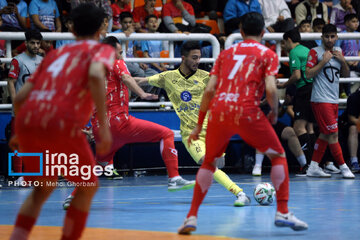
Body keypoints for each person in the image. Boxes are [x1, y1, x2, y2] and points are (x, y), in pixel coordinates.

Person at [178, 12, 308, 234]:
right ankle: (283, 211)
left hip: (219, 110)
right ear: (263, 32)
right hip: (246, 110)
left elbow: (209, 92)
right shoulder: (267, 54)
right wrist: (274, 113)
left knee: (209, 164)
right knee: (278, 156)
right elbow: (270, 89)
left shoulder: (226, 54)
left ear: (240, 32)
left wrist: (199, 125)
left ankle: (191, 217)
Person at [9, 3, 114, 239]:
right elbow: (97, 75)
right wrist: (104, 129)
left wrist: (22, 129)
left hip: (30, 121)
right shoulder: (100, 49)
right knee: (89, 185)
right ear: (102, 27)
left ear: (71, 28)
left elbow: (23, 95)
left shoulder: (55, 54)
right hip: (61, 123)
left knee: (42, 189)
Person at [62, 36, 195, 210]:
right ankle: (174, 178)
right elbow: (126, 78)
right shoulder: (116, 62)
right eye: (120, 51)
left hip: (100, 128)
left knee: (100, 164)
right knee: (167, 133)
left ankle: (72, 198)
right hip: (119, 123)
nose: (122, 55)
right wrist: (143, 94)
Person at [135, 41, 251, 207]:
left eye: (199, 58)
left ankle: (238, 192)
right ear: (183, 58)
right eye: (194, 58)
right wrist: (120, 78)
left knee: (217, 165)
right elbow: (141, 81)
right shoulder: (168, 77)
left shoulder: (206, 77)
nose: (198, 61)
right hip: (190, 134)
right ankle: (240, 193)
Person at [305, 24, 355, 179]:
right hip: (320, 99)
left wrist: (343, 62)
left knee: (325, 135)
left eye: (332, 36)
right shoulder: (315, 52)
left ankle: (313, 167)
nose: (329, 39)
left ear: (336, 37)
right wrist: (323, 62)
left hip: (333, 99)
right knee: (333, 134)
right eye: (326, 36)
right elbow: (307, 74)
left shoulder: (339, 51)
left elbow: (345, 74)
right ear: (322, 37)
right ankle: (344, 167)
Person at [7, 29, 43, 185]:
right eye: (32, 43)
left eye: (37, 43)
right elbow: (10, 83)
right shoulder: (17, 60)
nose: (35, 46)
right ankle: (19, 176)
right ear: (26, 43)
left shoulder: (42, 61)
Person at [278, 28, 315, 174]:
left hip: (304, 90)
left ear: (288, 40)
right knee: (310, 127)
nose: (283, 46)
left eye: (283, 42)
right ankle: (315, 164)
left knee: (299, 128)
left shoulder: (293, 52)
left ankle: (308, 165)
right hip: (314, 89)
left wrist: (283, 85)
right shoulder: (306, 50)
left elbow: (297, 76)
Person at [339, 87, 360, 172]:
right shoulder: (354, 98)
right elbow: (352, 119)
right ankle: (354, 162)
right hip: (349, 126)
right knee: (353, 128)